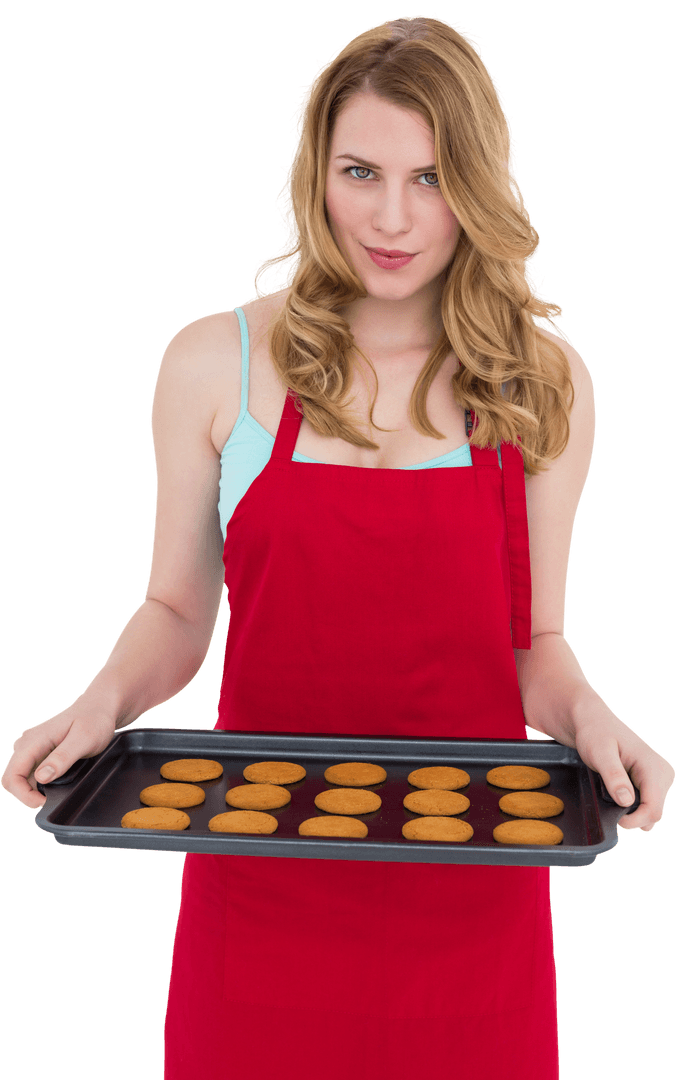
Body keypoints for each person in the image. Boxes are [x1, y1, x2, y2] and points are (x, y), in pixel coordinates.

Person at [2, 14, 675, 1079]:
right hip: (258, 888)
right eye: (361, 172)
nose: (391, 218)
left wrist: (594, 721)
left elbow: (532, 640)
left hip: (473, 904)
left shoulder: (541, 382)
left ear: (477, 186)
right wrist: (101, 705)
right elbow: (177, 611)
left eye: (431, 178)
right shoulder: (214, 363)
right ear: (316, 170)